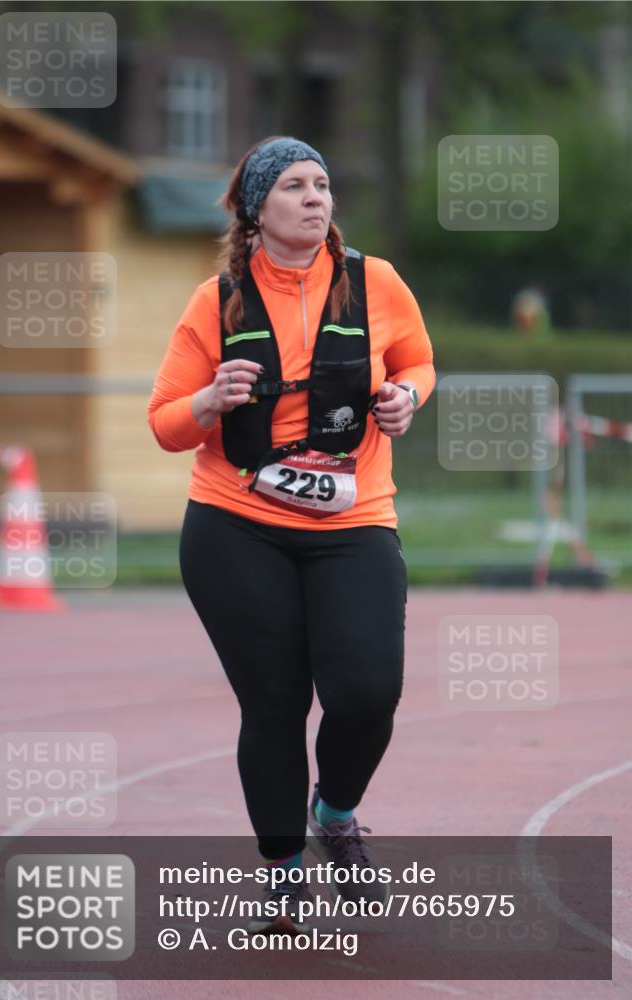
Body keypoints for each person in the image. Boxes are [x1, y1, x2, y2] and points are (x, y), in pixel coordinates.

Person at [148, 136, 436, 934]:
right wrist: (209, 399)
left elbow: (417, 360)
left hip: (354, 519)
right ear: (256, 209)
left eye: (323, 184)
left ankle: (334, 813)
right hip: (236, 524)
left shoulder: (373, 281)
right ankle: (282, 873)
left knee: (368, 691)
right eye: (296, 187)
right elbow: (166, 424)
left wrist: (406, 396)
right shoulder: (217, 302)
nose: (316, 198)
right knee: (273, 704)